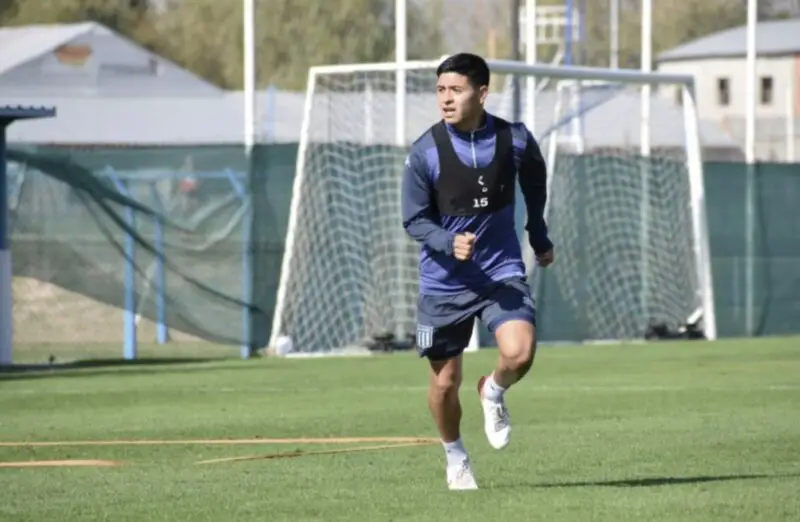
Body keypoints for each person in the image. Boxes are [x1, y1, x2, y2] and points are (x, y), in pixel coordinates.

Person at [401, 53, 555, 490]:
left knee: (520, 353)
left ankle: (493, 390)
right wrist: (448, 242)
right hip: (444, 282)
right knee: (445, 382)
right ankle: (456, 456)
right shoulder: (425, 151)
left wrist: (538, 234)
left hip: (499, 271)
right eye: (440, 90)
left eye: (456, 90)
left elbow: (536, 183)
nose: (445, 100)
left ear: (482, 93)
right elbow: (413, 220)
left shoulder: (516, 140)